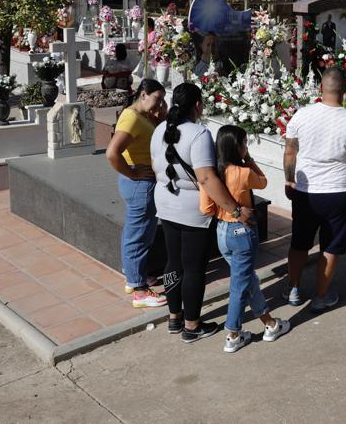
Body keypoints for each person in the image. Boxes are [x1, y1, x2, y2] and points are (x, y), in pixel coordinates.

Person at [151, 82, 254, 343]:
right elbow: (207, 178)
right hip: (191, 208)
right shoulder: (199, 134)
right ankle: (192, 325)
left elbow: (154, 165)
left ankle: (174, 317)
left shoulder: (160, 128)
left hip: (165, 199)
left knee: (173, 261)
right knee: (194, 267)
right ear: (197, 105)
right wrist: (235, 208)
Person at [282, 67, 346, 312]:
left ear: (321, 88)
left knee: (299, 242)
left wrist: (289, 180)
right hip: (338, 192)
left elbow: (290, 151)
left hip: (306, 190)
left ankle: (293, 288)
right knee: (331, 247)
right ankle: (321, 295)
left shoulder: (301, 115)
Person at [213, 125, 291, 352]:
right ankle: (233, 334)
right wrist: (249, 160)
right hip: (241, 233)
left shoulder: (215, 172)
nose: (247, 147)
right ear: (237, 148)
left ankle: (270, 323)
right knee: (240, 284)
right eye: (245, 144)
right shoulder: (243, 172)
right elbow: (263, 181)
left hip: (221, 231)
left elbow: (204, 205)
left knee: (247, 279)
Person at [105, 79, 167, 308]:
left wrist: (160, 113)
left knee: (141, 232)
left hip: (142, 185)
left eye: (162, 100)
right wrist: (132, 173)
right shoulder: (131, 117)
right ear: (143, 94)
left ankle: (135, 276)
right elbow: (112, 153)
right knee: (138, 235)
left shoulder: (142, 116)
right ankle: (139, 289)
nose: (159, 104)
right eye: (156, 99)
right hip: (140, 186)